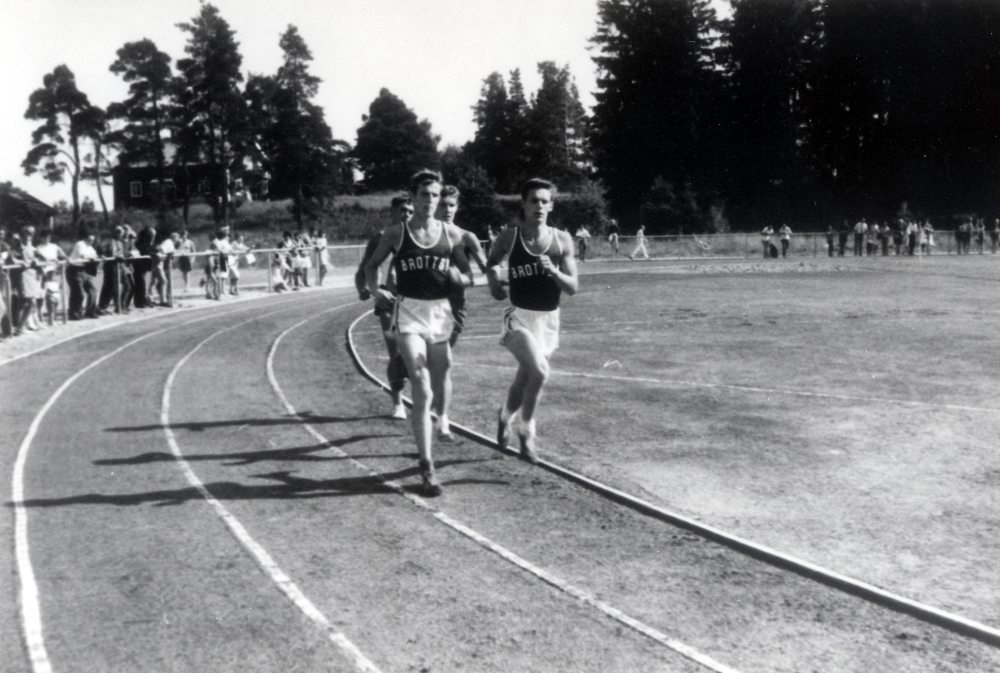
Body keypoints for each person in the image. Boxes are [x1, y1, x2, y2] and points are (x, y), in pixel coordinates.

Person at [363, 171, 477, 497]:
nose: (430, 201)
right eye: (424, 195)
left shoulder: (451, 233)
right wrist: (376, 290)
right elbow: (371, 266)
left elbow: (469, 276)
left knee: (441, 376)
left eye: (435, 195)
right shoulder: (397, 233)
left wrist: (458, 278)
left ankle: (440, 423)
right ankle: (427, 466)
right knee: (422, 384)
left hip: (440, 314)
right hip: (410, 313)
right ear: (414, 197)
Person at [486, 178, 578, 464]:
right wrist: (494, 283)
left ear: (551, 206)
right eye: (533, 201)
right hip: (519, 318)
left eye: (544, 201)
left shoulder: (561, 239)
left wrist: (553, 272)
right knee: (539, 371)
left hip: (548, 320)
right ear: (524, 205)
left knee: (525, 377)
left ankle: (504, 417)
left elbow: (573, 287)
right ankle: (527, 431)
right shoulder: (510, 236)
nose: (539, 206)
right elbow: (492, 262)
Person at [356, 195, 414, 420]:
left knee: (416, 355)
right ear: (393, 211)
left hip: (414, 301)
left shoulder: (419, 236)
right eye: (402, 210)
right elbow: (364, 269)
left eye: (410, 211)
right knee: (396, 354)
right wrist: (368, 291)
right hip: (388, 302)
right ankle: (398, 403)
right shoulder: (381, 238)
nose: (406, 215)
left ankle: (417, 396)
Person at [436, 185, 489, 350]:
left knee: (443, 355)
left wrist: (465, 281)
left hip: (456, 302)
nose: (447, 210)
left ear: (457, 207)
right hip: (427, 299)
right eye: (442, 205)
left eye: (451, 205)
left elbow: (489, 273)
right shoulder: (421, 235)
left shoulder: (466, 237)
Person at [67, 221, 101, 320]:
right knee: (79, 293)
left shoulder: (90, 247)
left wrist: (99, 257)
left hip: (84, 270)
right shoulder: (80, 244)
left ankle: (90, 311)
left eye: (93, 240)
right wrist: (92, 257)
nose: (92, 241)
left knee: (93, 290)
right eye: (90, 239)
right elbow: (83, 256)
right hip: (74, 270)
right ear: (85, 237)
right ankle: (74, 313)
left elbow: (95, 256)